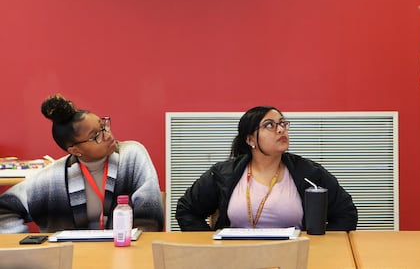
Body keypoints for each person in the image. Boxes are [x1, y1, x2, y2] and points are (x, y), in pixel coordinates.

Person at [0, 94, 164, 233]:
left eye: (104, 126)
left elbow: (150, 216)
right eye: (95, 136)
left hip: (126, 253)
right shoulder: (53, 178)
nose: (107, 135)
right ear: (75, 150)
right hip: (70, 259)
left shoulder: (132, 156)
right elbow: (4, 209)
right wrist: (23, 239)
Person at [176, 105, 358, 231]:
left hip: (292, 259)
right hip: (235, 259)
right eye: (269, 125)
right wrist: (210, 244)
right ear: (250, 140)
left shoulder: (309, 172)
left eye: (283, 123)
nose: (280, 130)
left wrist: (321, 245)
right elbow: (187, 210)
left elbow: (346, 213)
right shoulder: (223, 174)